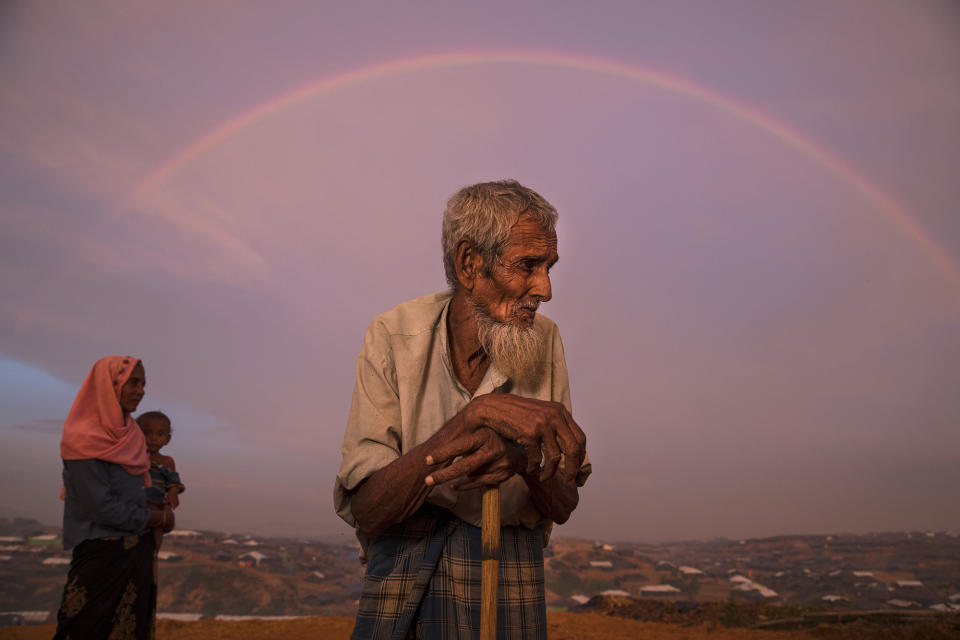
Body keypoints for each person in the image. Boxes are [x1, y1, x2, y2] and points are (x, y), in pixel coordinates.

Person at [335, 179, 590, 639]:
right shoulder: (393, 336)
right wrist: (476, 415)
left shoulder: (545, 339)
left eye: (549, 266)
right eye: (528, 266)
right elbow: (369, 510)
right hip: (404, 568)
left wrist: (522, 459)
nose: (546, 288)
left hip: (508, 567)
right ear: (470, 263)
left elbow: (564, 503)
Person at [54, 356, 174, 640]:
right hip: (101, 555)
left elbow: (135, 491)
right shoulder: (82, 438)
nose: (141, 390)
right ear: (110, 384)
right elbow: (101, 507)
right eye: (133, 382)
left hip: (138, 552)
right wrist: (156, 517)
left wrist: (158, 506)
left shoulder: (132, 434)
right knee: (84, 628)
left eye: (143, 384)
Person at [136, 410, 185, 549]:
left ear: (167, 439)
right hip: (135, 504)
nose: (153, 438)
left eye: (160, 434)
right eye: (147, 433)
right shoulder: (131, 458)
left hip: (157, 505)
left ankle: (153, 555)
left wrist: (173, 493)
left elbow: (173, 482)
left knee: (156, 532)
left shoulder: (166, 462)